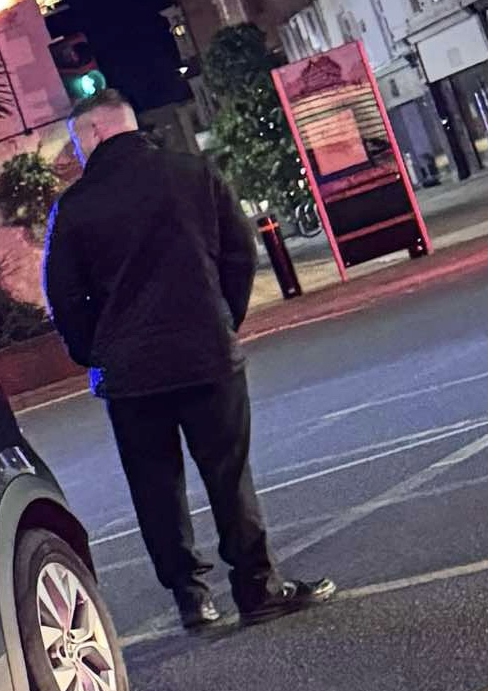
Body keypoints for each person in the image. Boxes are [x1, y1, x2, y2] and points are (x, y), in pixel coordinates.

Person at [41, 94, 334, 633]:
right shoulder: (192, 173)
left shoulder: (75, 207)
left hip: (129, 374)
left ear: (97, 131)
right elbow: (240, 253)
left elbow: (62, 295)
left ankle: (191, 598)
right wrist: (224, 318)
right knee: (228, 474)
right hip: (205, 352)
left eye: (79, 140)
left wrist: (94, 351)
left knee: (155, 486)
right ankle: (257, 587)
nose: (78, 152)